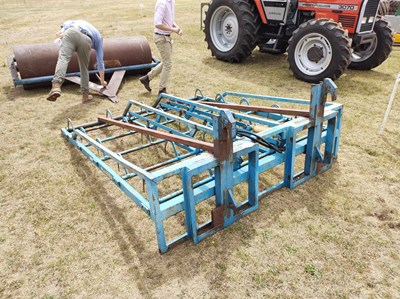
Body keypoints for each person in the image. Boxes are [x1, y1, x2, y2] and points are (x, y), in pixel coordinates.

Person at [47, 20, 107, 103]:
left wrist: (62, 31)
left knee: (63, 59)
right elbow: (100, 62)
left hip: (71, 32)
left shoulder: (81, 22)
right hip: (86, 39)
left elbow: (67, 23)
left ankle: (56, 86)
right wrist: (102, 81)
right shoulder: (99, 39)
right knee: (84, 68)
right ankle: (85, 96)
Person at [139, 0, 183, 95]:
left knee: (166, 62)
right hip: (161, 37)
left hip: (167, 37)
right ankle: (162, 90)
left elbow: (169, 20)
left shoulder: (172, 2)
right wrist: (173, 30)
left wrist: (177, 28)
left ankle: (146, 78)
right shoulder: (162, 3)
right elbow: (157, 23)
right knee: (168, 64)